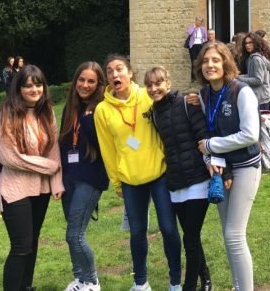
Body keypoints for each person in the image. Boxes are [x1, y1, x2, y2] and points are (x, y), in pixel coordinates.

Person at [94, 54, 182, 291]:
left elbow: (173, 105)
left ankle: (175, 281)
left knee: (168, 228)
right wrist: (117, 182)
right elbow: (107, 150)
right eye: (110, 71)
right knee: (137, 232)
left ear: (130, 72)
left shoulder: (147, 95)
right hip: (130, 180)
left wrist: (191, 99)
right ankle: (140, 282)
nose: (115, 74)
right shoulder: (102, 110)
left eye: (119, 69)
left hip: (159, 174)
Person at [0, 64, 64, 291]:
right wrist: (49, 167)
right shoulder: (7, 115)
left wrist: (56, 181)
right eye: (27, 85)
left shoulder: (46, 112)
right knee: (21, 246)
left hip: (39, 189)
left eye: (38, 84)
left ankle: (26, 287)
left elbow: (53, 149)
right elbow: (10, 157)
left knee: (31, 243)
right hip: (13, 188)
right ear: (18, 88)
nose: (34, 89)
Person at [195, 41, 261, 291]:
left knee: (234, 235)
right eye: (205, 61)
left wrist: (212, 147)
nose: (210, 65)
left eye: (215, 60)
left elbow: (250, 134)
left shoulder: (241, 91)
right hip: (221, 170)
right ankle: (237, 286)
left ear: (226, 62)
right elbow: (204, 132)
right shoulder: (203, 95)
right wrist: (211, 160)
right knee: (228, 234)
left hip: (246, 167)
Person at [144, 66, 213, 291]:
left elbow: (202, 135)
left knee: (190, 238)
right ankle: (207, 279)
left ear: (168, 84)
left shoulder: (186, 103)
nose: (154, 89)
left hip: (198, 181)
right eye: (150, 85)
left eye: (158, 83)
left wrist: (215, 166)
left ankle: (189, 286)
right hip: (175, 183)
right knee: (191, 236)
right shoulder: (154, 113)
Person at [59, 62, 109, 291]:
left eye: (91, 81)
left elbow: (104, 146)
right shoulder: (70, 108)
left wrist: (89, 119)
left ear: (99, 84)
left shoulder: (101, 109)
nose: (85, 85)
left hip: (90, 179)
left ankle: (92, 281)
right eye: (82, 80)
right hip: (69, 177)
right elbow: (63, 143)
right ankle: (79, 279)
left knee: (74, 235)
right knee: (72, 231)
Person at [237, 32, 270, 110]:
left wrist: (238, 78)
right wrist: (238, 76)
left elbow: (258, 80)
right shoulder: (253, 57)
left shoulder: (256, 59)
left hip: (260, 99)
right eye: (246, 43)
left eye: (250, 43)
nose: (247, 45)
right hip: (259, 97)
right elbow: (251, 75)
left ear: (256, 43)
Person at [186, 17, 208, 82]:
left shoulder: (203, 29)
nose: (199, 22)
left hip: (200, 45)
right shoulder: (192, 27)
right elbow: (189, 33)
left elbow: (205, 37)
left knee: (201, 60)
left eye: (200, 21)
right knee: (194, 61)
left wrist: (203, 43)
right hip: (193, 46)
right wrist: (194, 26)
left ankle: (201, 76)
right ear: (195, 21)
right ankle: (194, 78)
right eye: (197, 21)